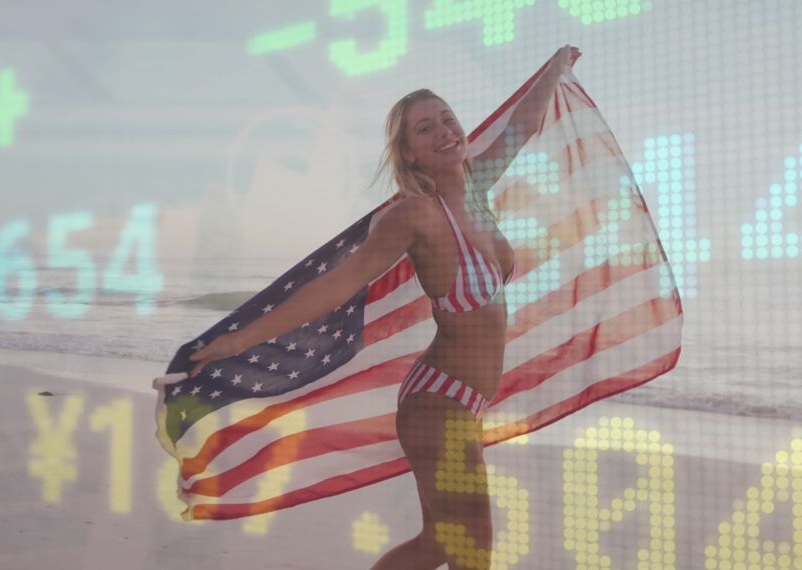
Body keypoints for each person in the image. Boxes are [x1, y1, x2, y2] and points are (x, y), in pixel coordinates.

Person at [189, 46, 579, 570]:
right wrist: (239, 340)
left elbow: (522, 126)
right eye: (425, 129)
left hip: (466, 403)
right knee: (471, 548)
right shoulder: (414, 217)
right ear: (409, 154)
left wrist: (555, 68)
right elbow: (338, 283)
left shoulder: (476, 190)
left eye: (447, 119)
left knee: (440, 544)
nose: (444, 132)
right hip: (438, 404)